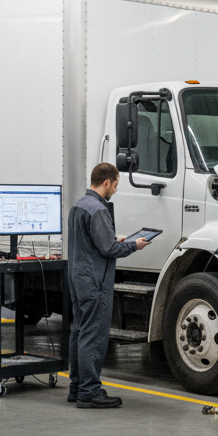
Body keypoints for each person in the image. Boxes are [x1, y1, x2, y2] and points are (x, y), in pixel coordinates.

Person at [67, 163, 149, 409]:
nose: (115, 189)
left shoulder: (78, 205)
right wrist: (135, 245)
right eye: (115, 184)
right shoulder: (99, 210)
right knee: (94, 334)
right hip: (95, 280)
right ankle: (90, 392)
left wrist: (115, 237)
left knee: (80, 330)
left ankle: (77, 388)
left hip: (78, 277)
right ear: (106, 183)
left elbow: (93, 241)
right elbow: (109, 249)